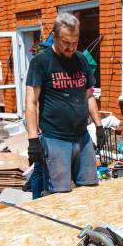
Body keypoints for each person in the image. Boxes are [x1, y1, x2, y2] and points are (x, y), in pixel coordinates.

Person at [25, 12, 104, 195]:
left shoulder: (81, 59)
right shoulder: (41, 62)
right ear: (54, 37)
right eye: (66, 42)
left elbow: (89, 95)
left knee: (90, 188)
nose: (71, 48)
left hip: (82, 137)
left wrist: (99, 126)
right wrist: (33, 139)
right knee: (58, 194)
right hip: (55, 139)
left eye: (75, 43)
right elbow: (31, 101)